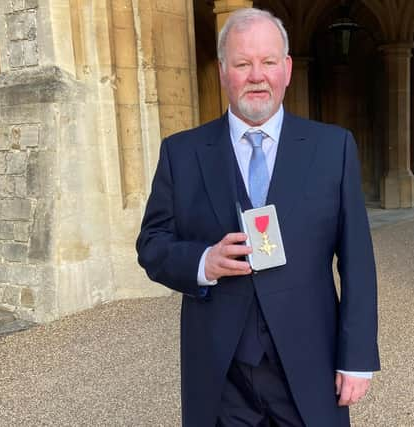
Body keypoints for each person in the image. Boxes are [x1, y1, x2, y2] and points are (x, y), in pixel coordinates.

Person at [136, 7, 379, 426]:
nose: (256, 75)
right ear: (222, 71)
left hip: (310, 362)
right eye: (242, 63)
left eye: (268, 62)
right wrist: (202, 262)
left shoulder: (333, 148)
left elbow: (357, 260)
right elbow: (152, 244)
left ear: (285, 69)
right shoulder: (181, 153)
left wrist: (356, 358)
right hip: (220, 371)